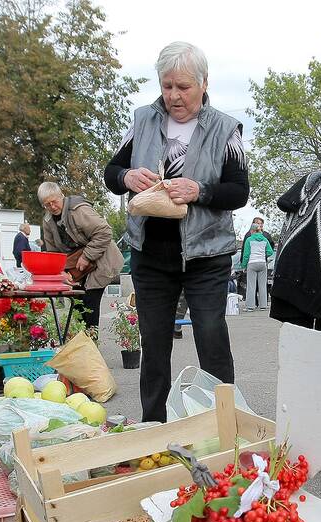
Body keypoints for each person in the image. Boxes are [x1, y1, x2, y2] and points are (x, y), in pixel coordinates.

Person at [104, 41, 249, 422]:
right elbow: (111, 175)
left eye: (183, 87)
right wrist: (127, 175)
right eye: (167, 86)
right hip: (151, 255)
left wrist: (200, 190)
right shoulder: (143, 120)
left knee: (211, 338)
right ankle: (153, 426)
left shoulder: (225, 129)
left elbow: (239, 191)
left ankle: (223, 424)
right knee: (153, 345)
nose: (173, 96)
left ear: (203, 83)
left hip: (207, 256)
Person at [37, 182, 123, 330]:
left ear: (61, 196)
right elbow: (53, 253)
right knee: (77, 307)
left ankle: (91, 347)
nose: (52, 207)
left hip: (101, 262)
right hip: (76, 270)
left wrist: (86, 256)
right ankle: (81, 346)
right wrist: (61, 272)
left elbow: (104, 232)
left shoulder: (79, 210)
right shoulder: (48, 221)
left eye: (54, 201)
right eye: (47, 204)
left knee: (89, 305)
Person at [240, 231, 274, 312]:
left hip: (252, 263)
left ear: (252, 231)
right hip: (262, 263)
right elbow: (270, 252)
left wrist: (244, 265)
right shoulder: (265, 240)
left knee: (251, 286)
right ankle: (263, 306)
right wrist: (263, 255)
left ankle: (250, 307)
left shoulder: (249, 240)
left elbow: (246, 254)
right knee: (262, 286)